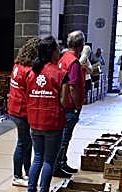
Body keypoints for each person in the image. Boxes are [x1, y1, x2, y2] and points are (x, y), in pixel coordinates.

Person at [24, 36, 65, 192]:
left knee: (38, 157)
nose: (59, 51)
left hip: (35, 121)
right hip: (52, 122)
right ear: (52, 52)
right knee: (49, 160)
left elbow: (28, 95)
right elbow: (64, 101)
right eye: (57, 49)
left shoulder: (31, 73)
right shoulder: (60, 74)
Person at [52, 30, 86, 178]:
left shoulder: (63, 58)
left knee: (64, 137)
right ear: (81, 45)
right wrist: (78, 104)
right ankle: (57, 166)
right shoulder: (73, 62)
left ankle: (62, 162)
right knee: (65, 138)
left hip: (61, 103)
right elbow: (73, 86)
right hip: (69, 105)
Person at [8, 37, 40, 187]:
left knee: (27, 142)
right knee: (23, 142)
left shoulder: (17, 65)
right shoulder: (28, 70)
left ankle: (27, 172)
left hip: (14, 108)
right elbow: (31, 92)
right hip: (22, 110)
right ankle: (17, 175)